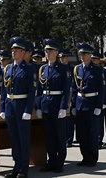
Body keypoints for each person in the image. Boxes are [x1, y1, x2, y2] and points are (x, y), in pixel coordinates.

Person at [0, 37, 36, 178]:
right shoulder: (8, 68)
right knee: (14, 139)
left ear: (23, 52)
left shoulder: (29, 69)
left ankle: (24, 169)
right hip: (10, 107)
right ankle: (16, 166)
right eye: (13, 50)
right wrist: (2, 108)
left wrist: (28, 110)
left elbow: (31, 92)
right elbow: (4, 90)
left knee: (23, 139)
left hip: (22, 107)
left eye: (17, 50)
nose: (14, 52)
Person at [37, 39, 70, 173]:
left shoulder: (63, 69)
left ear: (56, 53)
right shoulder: (43, 69)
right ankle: (51, 161)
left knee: (59, 135)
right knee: (49, 136)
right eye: (46, 50)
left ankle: (60, 162)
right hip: (46, 104)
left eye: (50, 50)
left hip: (57, 105)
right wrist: (38, 106)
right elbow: (39, 90)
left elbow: (66, 90)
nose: (47, 53)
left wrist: (63, 107)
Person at [71, 42, 104, 167]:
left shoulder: (97, 69)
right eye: (81, 54)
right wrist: (73, 105)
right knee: (81, 133)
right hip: (80, 104)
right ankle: (85, 157)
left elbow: (101, 89)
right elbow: (74, 88)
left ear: (90, 55)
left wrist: (98, 106)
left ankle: (92, 158)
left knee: (92, 133)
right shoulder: (77, 69)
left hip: (92, 104)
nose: (82, 56)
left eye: (85, 54)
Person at [60, 48, 75, 148]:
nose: (63, 59)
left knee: (69, 119)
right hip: (60, 94)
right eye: (61, 57)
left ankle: (69, 139)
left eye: (65, 57)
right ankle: (63, 138)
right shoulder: (59, 68)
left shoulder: (71, 69)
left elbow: (75, 83)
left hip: (69, 93)